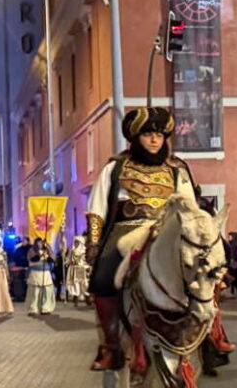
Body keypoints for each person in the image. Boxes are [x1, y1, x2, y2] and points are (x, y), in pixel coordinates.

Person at [85, 106, 198, 370]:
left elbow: (190, 206)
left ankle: (212, 336)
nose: (154, 139)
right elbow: (97, 208)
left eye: (159, 134)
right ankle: (111, 346)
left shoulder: (177, 169)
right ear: (136, 137)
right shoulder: (116, 167)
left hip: (165, 230)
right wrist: (94, 244)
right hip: (127, 229)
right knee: (102, 278)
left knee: (206, 271)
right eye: (148, 134)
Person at [26, 239, 56, 316]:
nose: (40, 244)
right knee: (35, 292)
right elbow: (32, 259)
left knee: (46, 291)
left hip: (45, 273)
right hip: (35, 273)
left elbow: (53, 259)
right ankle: (33, 309)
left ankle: (46, 308)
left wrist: (48, 249)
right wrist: (40, 255)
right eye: (38, 242)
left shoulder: (46, 250)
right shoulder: (32, 250)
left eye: (41, 242)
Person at [64, 236, 90, 306]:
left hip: (81, 269)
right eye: (75, 242)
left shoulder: (84, 251)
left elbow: (87, 260)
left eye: (77, 242)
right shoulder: (72, 250)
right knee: (74, 284)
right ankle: (76, 301)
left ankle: (87, 299)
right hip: (73, 269)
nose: (75, 243)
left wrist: (86, 266)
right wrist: (66, 262)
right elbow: (68, 259)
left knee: (83, 284)